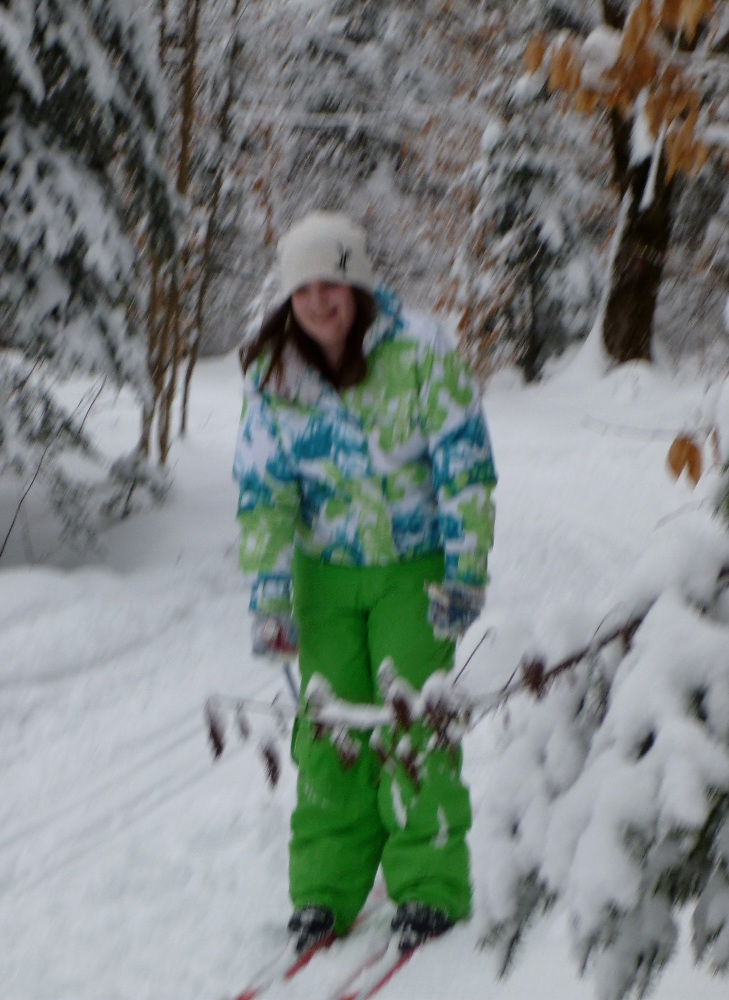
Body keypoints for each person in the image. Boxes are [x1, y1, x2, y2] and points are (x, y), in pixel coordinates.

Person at [232, 210, 497, 954]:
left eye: (333, 283)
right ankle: (325, 887)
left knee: (413, 722)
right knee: (328, 731)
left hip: (412, 569)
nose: (319, 301)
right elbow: (263, 494)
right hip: (324, 577)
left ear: (358, 286)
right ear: (288, 297)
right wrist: (269, 599)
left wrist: (466, 570)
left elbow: (465, 467)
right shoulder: (274, 375)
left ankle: (428, 883)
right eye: (303, 288)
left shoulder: (419, 353)